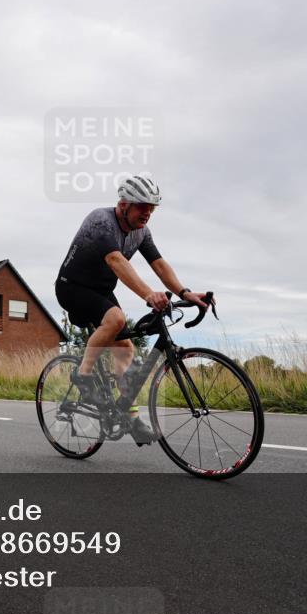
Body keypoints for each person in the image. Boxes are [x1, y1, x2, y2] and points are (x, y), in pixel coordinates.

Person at [56, 175, 212, 445]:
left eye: (152, 207)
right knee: (116, 319)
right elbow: (116, 261)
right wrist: (148, 294)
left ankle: (128, 416)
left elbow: (159, 264)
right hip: (72, 287)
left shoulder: (141, 232)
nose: (148, 213)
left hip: (101, 291)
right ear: (124, 204)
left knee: (126, 348)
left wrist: (184, 293)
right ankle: (82, 376)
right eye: (142, 206)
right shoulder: (100, 221)